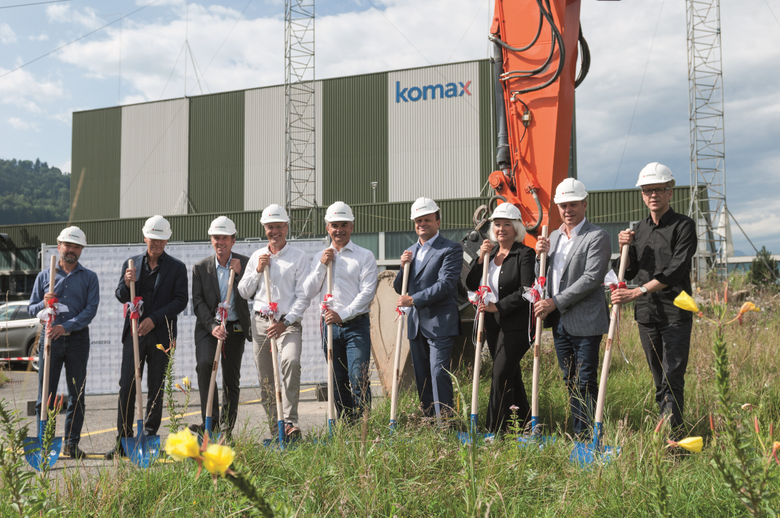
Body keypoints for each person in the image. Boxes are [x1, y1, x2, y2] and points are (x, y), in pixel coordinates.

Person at [611, 162, 697, 437]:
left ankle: (675, 442)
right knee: (659, 379)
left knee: (673, 379)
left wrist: (638, 291)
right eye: (647, 190)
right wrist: (622, 247)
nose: (653, 195)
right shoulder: (639, 230)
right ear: (642, 195)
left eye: (659, 189)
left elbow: (675, 271)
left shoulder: (684, 226)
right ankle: (666, 433)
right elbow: (628, 269)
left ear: (670, 192)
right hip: (647, 317)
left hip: (675, 314)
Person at [533, 178, 611, 439]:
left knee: (585, 379)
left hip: (586, 321)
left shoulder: (596, 236)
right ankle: (579, 430)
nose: (568, 210)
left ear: (584, 204)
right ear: (558, 207)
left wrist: (555, 302)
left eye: (573, 204)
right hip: (560, 322)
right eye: (563, 205)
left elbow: (590, 279)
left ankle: (587, 435)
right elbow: (541, 277)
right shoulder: (552, 237)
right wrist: (538, 256)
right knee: (569, 378)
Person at [106, 215, 188, 459]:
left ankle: (148, 436)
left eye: (161, 240)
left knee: (156, 387)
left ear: (167, 241)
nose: (157, 244)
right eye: (153, 239)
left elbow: (180, 301)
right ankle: (123, 441)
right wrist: (126, 282)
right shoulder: (131, 265)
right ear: (145, 238)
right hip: (134, 335)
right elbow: (122, 296)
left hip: (162, 334)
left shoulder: (177, 267)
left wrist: (154, 318)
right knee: (127, 386)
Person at [238, 204, 311, 439]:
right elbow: (243, 292)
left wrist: (286, 321)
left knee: (291, 361)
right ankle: (276, 427)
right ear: (264, 228)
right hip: (260, 322)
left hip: (287, 323)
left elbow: (303, 296)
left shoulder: (299, 258)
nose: (275, 231)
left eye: (279, 226)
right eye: (270, 227)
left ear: (287, 227)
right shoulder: (257, 256)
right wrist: (258, 270)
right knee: (266, 378)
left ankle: (290, 421)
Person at [303, 201, 378, 422]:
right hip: (330, 328)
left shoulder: (364, 256)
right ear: (327, 228)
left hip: (356, 326)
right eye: (334, 225)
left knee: (358, 378)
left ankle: (364, 427)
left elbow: (367, 294)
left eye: (344, 224)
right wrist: (320, 265)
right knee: (337, 381)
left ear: (352, 226)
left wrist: (342, 314)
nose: (339, 230)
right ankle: (348, 426)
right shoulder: (321, 257)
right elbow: (308, 291)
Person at [28, 226, 99, 459]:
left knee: (76, 394)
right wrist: (43, 304)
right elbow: (32, 308)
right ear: (59, 246)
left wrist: (66, 326)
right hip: (50, 341)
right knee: (45, 395)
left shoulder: (89, 277)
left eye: (77, 246)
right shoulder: (44, 276)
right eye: (68, 245)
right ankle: (44, 442)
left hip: (77, 340)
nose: (72, 250)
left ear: (81, 250)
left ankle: (70, 444)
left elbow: (90, 310)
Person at [465, 203, 535, 433]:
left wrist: (497, 307)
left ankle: (493, 430)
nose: (501, 228)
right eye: (497, 224)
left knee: (499, 374)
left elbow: (526, 292)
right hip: (493, 327)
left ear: (516, 228)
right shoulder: (490, 254)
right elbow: (470, 283)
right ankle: (523, 426)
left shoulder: (524, 253)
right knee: (511, 375)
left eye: (507, 224)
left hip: (517, 326)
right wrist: (479, 258)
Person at [394, 197, 462, 419]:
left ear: (438, 221)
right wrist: (402, 267)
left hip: (440, 322)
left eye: (427, 219)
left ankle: (447, 421)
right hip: (416, 324)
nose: (422, 224)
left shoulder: (450, 249)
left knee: (437, 372)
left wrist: (413, 299)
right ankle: (429, 420)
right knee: (422, 375)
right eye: (418, 220)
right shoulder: (410, 252)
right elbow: (398, 287)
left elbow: (446, 285)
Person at [191, 216, 251, 439]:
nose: (220, 242)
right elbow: (197, 302)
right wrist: (213, 326)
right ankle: (211, 423)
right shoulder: (201, 268)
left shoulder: (245, 264)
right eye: (216, 238)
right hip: (209, 329)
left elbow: (253, 292)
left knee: (230, 379)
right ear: (211, 239)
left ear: (233, 240)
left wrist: (240, 275)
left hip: (235, 328)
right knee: (205, 366)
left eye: (225, 238)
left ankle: (227, 428)